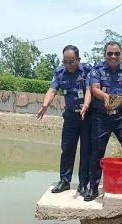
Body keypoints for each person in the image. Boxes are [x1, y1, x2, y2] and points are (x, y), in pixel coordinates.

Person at [37, 45, 92, 197]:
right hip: (70, 117)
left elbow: (89, 89)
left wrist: (86, 105)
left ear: (78, 59)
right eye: (65, 62)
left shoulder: (87, 70)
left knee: (86, 151)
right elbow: (52, 90)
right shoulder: (60, 72)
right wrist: (45, 105)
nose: (68, 65)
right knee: (67, 149)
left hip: (87, 116)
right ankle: (64, 181)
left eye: (71, 62)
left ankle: (83, 183)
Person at [86, 41, 122, 201]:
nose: (114, 56)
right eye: (110, 53)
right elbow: (94, 88)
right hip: (101, 118)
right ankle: (93, 188)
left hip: (121, 117)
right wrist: (105, 96)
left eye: (117, 53)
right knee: (97, 153)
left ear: (121, 54)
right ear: (104, 55)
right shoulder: (97, 70)